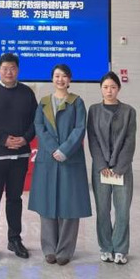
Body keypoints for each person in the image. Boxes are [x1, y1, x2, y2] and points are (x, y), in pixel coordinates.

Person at [0, 53, 37, 264]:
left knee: (15, 199)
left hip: (20, 154)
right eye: (5, 68)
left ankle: (14, 240)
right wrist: (3, 140)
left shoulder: (27, 93)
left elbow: (36, 121)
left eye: (12, 68)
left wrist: (25, 138)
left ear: (17, 70)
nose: (9, 72)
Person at [28, 64, 91, 265]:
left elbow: (80, 128)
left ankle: (65, 250)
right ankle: (49, 249)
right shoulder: (44, 102)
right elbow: (39, 127)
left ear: (69, 79)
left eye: (64, 76)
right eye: (57, 76)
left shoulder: (77, 102)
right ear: (52, 79)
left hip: (70, 159)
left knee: (69, 205)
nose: (60, 79)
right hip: (48, 159)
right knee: (47, 204)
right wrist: (52, 148)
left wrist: (64, 150)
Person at [87, 71, 137, 265]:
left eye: (113, 87)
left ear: (119, 89)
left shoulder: (129, 111)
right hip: (101, 170)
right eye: (106, 87)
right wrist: (101, 165)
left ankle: (121, 249)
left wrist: (119, 166)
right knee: (102, 210)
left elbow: (130, 140)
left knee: (123, 210)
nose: (109, 91)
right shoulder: (94, 111)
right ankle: (106, 247)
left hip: (122, 169)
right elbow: (92, 139)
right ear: (101, 89)